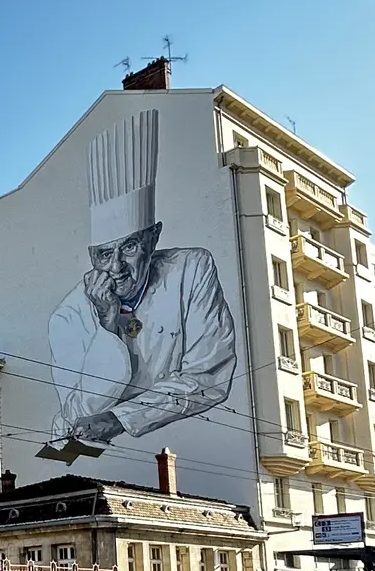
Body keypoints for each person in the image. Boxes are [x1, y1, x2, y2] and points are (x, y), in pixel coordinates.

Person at [48, 108, 236, 443]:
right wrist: (106, 326)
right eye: (105, 255)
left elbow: (209, 376)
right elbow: (79, 409)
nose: (117, 267)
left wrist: (123, 418)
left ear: (153, 239)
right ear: (92, 256)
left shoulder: (191, 269)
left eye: (130, 247)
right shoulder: (68, 316)